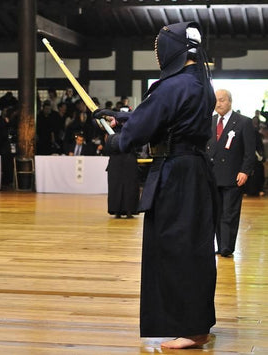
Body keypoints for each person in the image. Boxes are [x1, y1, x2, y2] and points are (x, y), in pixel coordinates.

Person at [94, 21, 218, 349]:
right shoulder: (198, 81)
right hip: (194, 172)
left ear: (171, 49)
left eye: (158, 47)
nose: (156, 54)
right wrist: (121, 117)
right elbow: (164, 118)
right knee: (194, 249)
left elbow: (139, 131)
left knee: (175, 249)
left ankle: (190, 330)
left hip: (176, 175)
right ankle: (198, 324)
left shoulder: (171, 86)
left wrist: (116, 140)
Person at [206, 89, 256, 257]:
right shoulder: (209, 121)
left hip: (233, 175)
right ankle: (220, 246)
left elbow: (250, 151)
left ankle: (227, 248)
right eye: (216, 101)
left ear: (230, 101)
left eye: (222, 100)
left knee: (229, 214)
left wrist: (245, 171)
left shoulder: (243, 122)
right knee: (216, 213)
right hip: (212, 176)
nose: (218, 104)